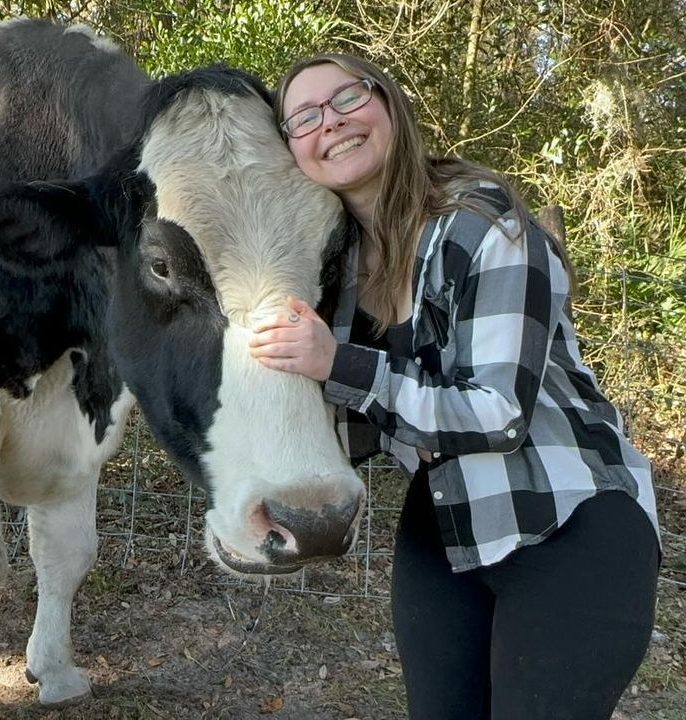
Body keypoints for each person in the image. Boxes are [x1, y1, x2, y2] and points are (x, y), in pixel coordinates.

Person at [250, 53, 661, 719]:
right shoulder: (341, 267)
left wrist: (339, 364)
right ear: (292, 148)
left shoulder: (485, 224)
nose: (332, 123)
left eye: (348, 99)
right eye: (305, 117)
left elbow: (497, 416)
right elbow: (349, 432)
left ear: (388, 105)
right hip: (443, 524)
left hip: (568, 518)